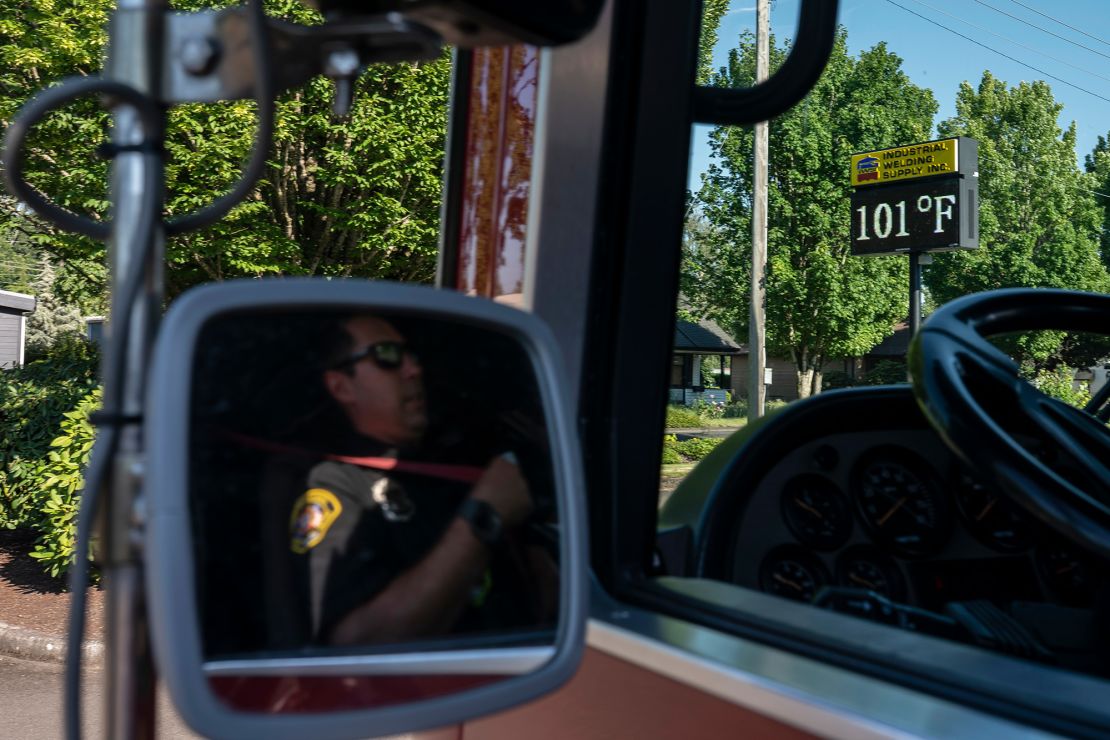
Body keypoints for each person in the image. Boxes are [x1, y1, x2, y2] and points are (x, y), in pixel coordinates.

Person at [286, 314, 539, 646]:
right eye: (387, 356)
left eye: (411, 355)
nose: (413, 370)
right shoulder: (333, 483)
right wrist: (484, 517)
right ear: (341, 386)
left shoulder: (449, 462)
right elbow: (356, 643)